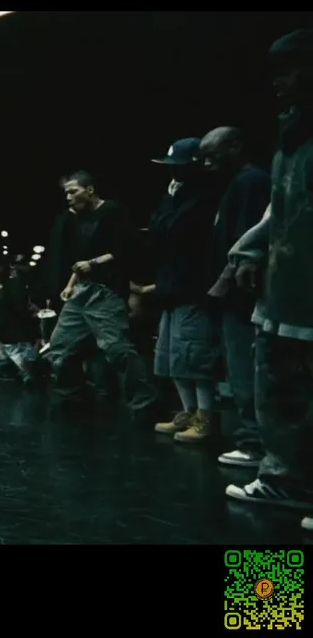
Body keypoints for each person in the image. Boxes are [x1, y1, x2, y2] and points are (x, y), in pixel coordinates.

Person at [223, 28, 313, 528]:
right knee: (280, 387)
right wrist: (248, 250)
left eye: (290, 70)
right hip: (285, 291)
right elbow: (280, 209)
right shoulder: (291, 137)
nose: (279, 82)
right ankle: (287, 479)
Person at [42, 170, 157, 421]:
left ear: (90, 190)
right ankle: (73, 396)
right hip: (82, 290)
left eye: (73, 192)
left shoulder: (112, 212)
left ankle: (145, 402)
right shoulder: (78, 219)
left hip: (105, 291)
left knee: (116, 349)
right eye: (66, 193)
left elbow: (125, 249)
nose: (68, 197)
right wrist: (71, 284)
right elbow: (80, 260)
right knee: (61, 347)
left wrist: (93, 264)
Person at [145, 138, 223, 443]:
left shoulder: (205, 197)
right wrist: (169, 202)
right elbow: (155, 232)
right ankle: (189, 411)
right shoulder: (175, 196)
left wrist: (170, 203)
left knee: (195, 357)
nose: (173, 173)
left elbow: (174, 230)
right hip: (173, 289)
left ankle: (206, 417)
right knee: (173, 358)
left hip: (193, 288)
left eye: (178, 167)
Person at [202, 126, 271, 467]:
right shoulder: (242, 183)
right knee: (242, 366)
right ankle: (254, 439)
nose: (206, 163)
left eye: (212, 155)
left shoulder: (250, 182)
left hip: (241, 295)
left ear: (235, 147)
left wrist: (223, 283)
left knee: (244, 367)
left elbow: (246, 240)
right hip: (238, 294)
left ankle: (253, 442)